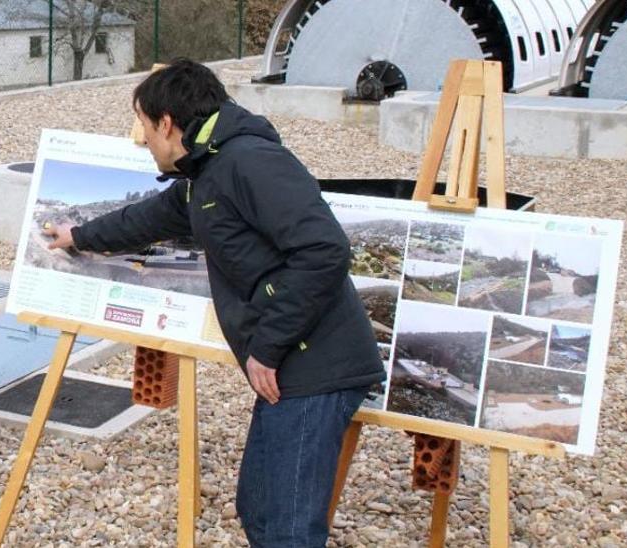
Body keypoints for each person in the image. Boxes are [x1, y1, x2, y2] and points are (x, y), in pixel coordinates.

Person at [44, 59, 386, 547]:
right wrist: (77, 235)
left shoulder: (250, 162)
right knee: (258, 508)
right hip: (290, 367)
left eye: (144, 126)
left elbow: (324, 249)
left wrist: (267, 348)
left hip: (316, 367)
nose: (143, 141)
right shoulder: (208, 169)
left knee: (288, 528)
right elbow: (149, 218)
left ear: (167, 122)